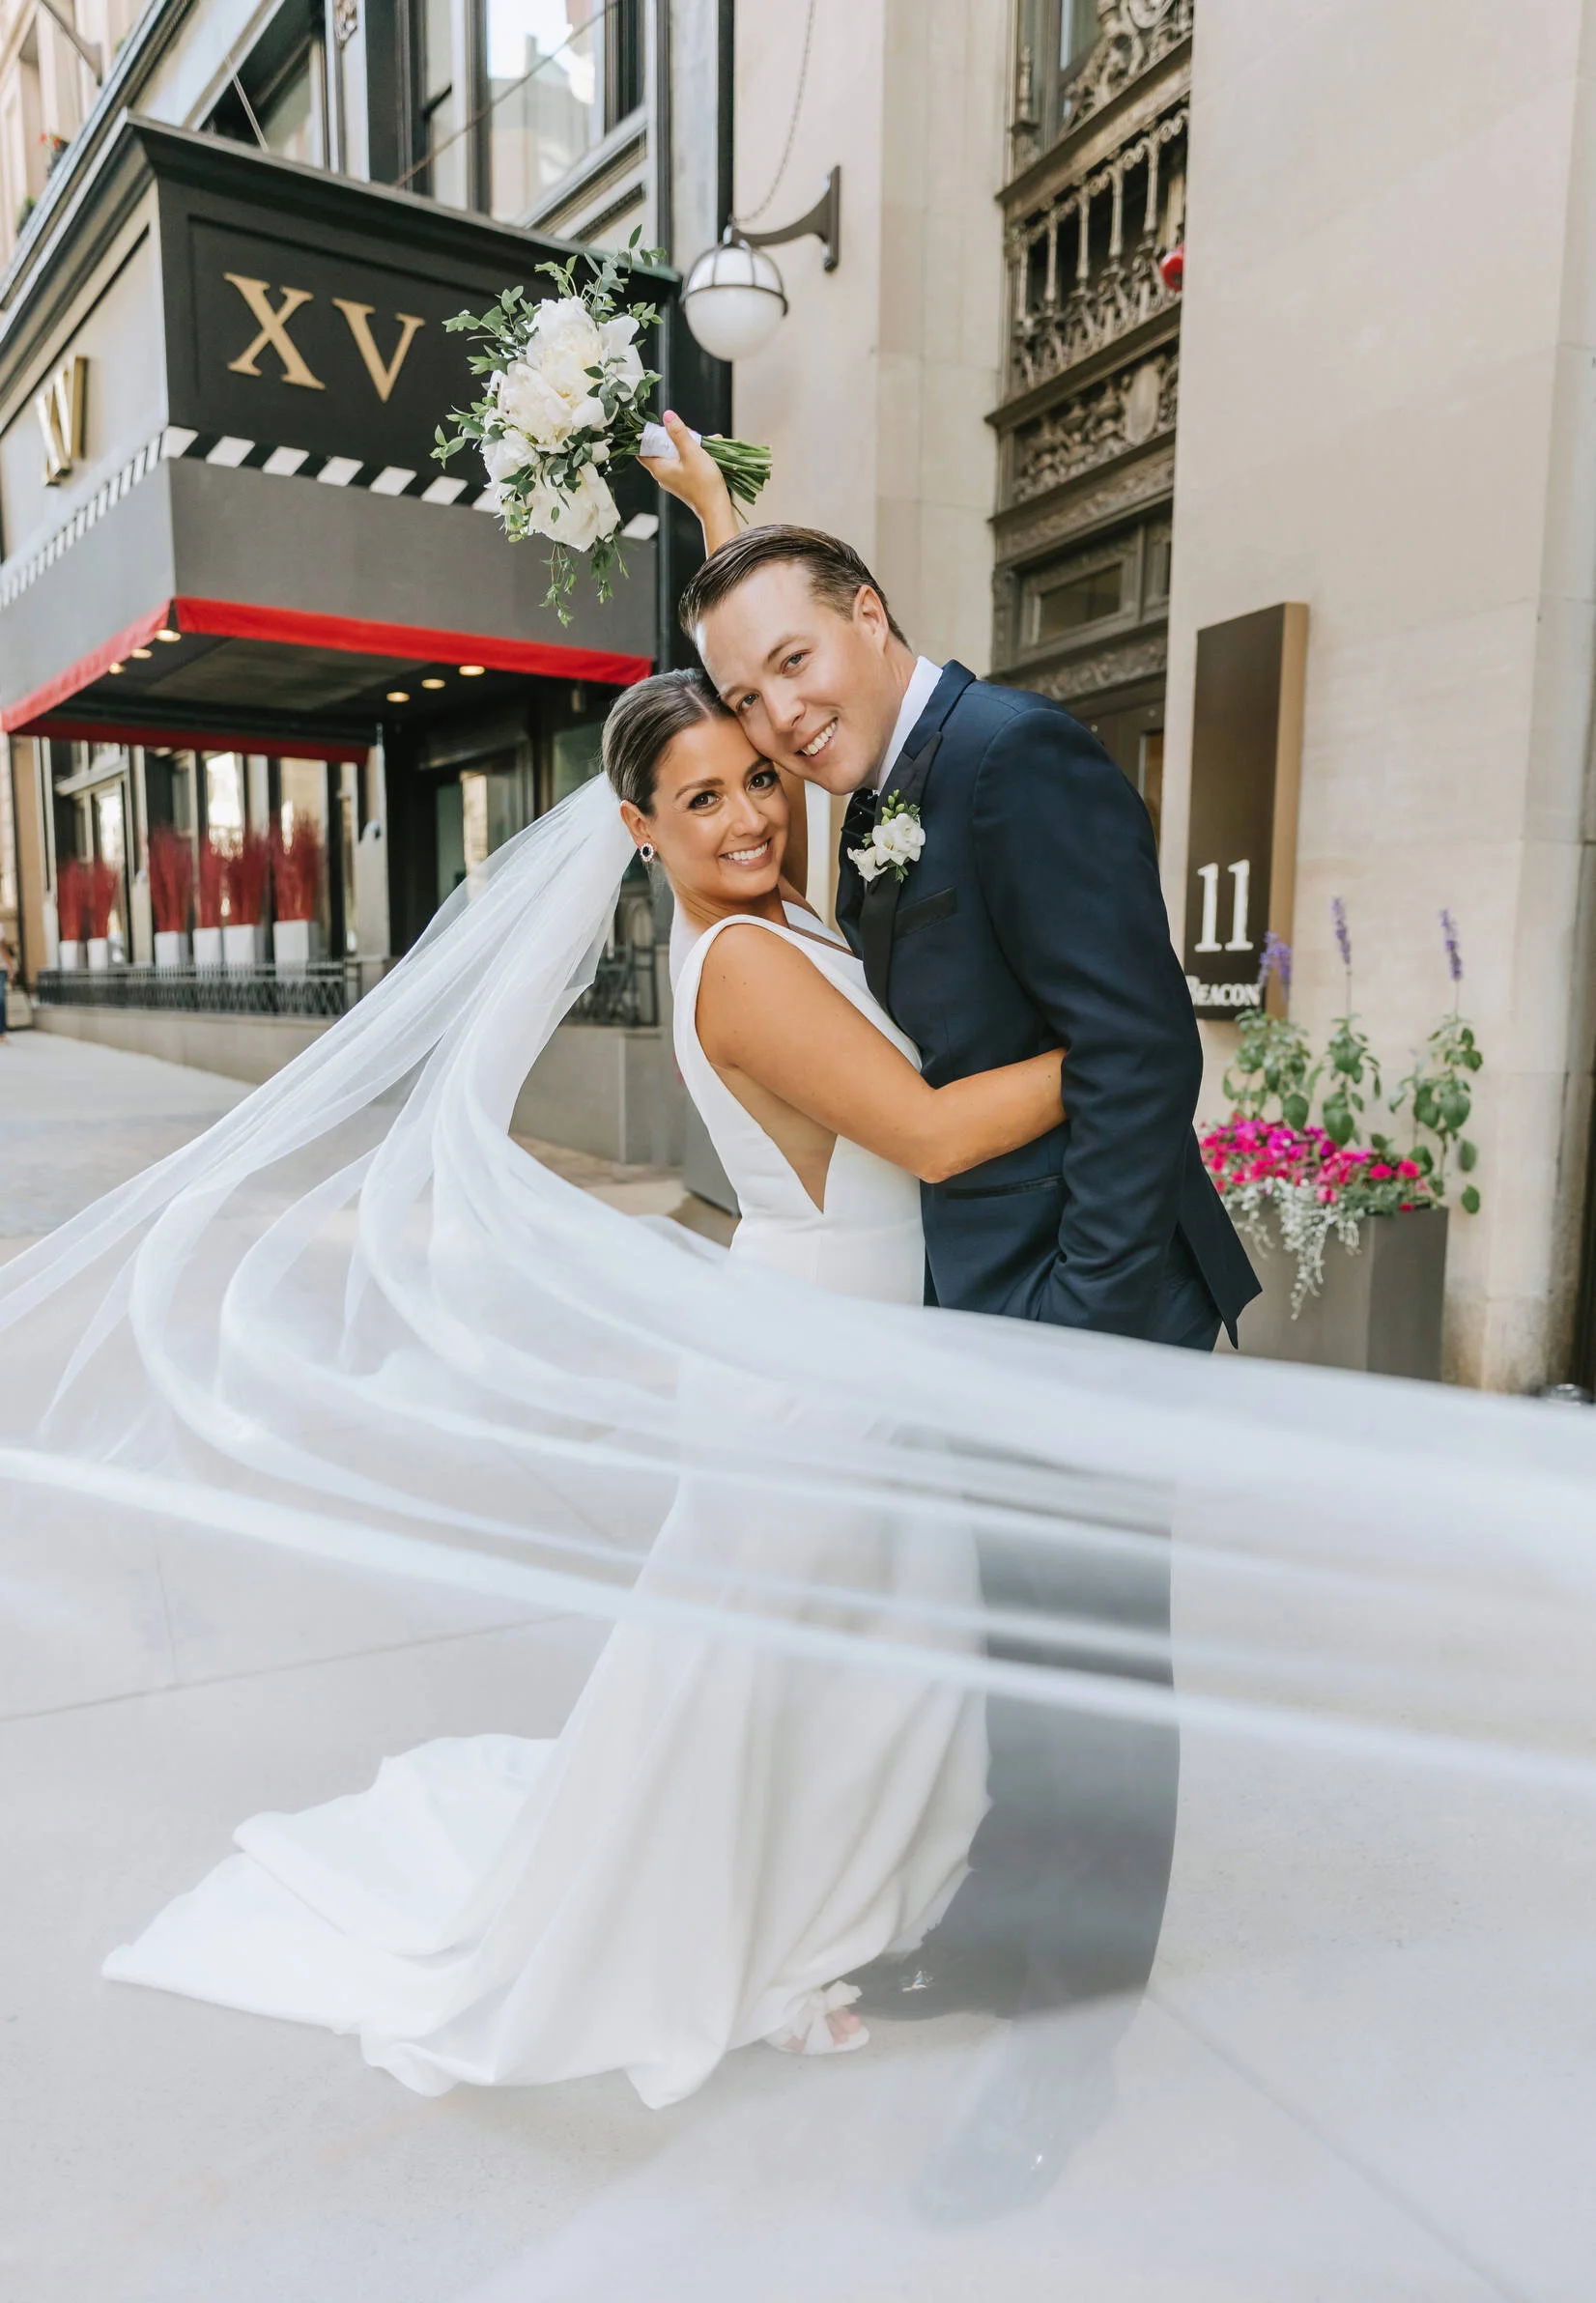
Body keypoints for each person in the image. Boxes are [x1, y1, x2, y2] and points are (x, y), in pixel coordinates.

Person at [100, 663, 1073, 2107]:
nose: (749, 816)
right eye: (704, 798)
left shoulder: (781, 917)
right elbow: (928, 1137)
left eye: (759, 779)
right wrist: (1113, 1049)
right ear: (639, 826)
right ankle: (763, 1946)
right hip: (819, 1361)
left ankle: (830, 1910)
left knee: (858, 1661)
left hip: (855, 1337)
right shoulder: (743, 961)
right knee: (790, 1677)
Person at [643, 412, 1261, 2214]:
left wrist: (1067, 1333)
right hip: (987, 1322)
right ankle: (1000, 1933)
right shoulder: (885, 784)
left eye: (795, 663)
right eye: (745, 697)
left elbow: (1140, 1054)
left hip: (1084, 1324)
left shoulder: (1013, 758)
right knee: (1022, 1674)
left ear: (873, 614)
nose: (776, 718)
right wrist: (715, 517)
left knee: (1094, 1696)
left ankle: (1069, 2052)